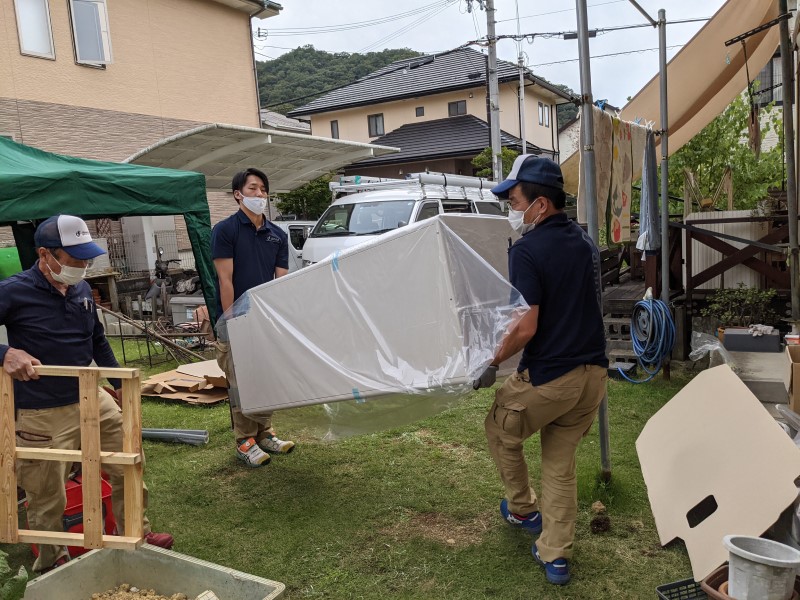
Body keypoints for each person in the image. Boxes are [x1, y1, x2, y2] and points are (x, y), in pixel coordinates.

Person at [0, 215, 174, 574]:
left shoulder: (80, 289)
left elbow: (96, 338)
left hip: (92, 397)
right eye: (74, 258)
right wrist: (5, 354)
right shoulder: (13, 290)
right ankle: (53, 562)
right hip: (41, 411)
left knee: (129, 463)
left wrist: (114, 382)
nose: (83, 265)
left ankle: (135, 535)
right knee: (47, 492)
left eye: (86, 258)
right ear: (45, 254)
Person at [473, 155, 608, 586]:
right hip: (593, 377)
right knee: (559, 464)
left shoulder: (528, 249)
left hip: (552, 377)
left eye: (514, 198)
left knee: (499, 430)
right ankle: (555, 556)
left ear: (541, 204)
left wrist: (492, 362)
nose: (512, 206)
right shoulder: (584, 241)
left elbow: (526, 325)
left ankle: (522, 509)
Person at [212, 167, 295, 468]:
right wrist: (231, 321)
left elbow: (280, 282)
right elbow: (226, 281)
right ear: (238, 194)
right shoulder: (226, 230)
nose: (259, 194)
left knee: (266, 376)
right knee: (240, 381)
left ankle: (266, 433)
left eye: (263, 189)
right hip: (237, 317)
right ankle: (245, 441)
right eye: (252, 189)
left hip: (266, 319)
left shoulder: (277, 235)